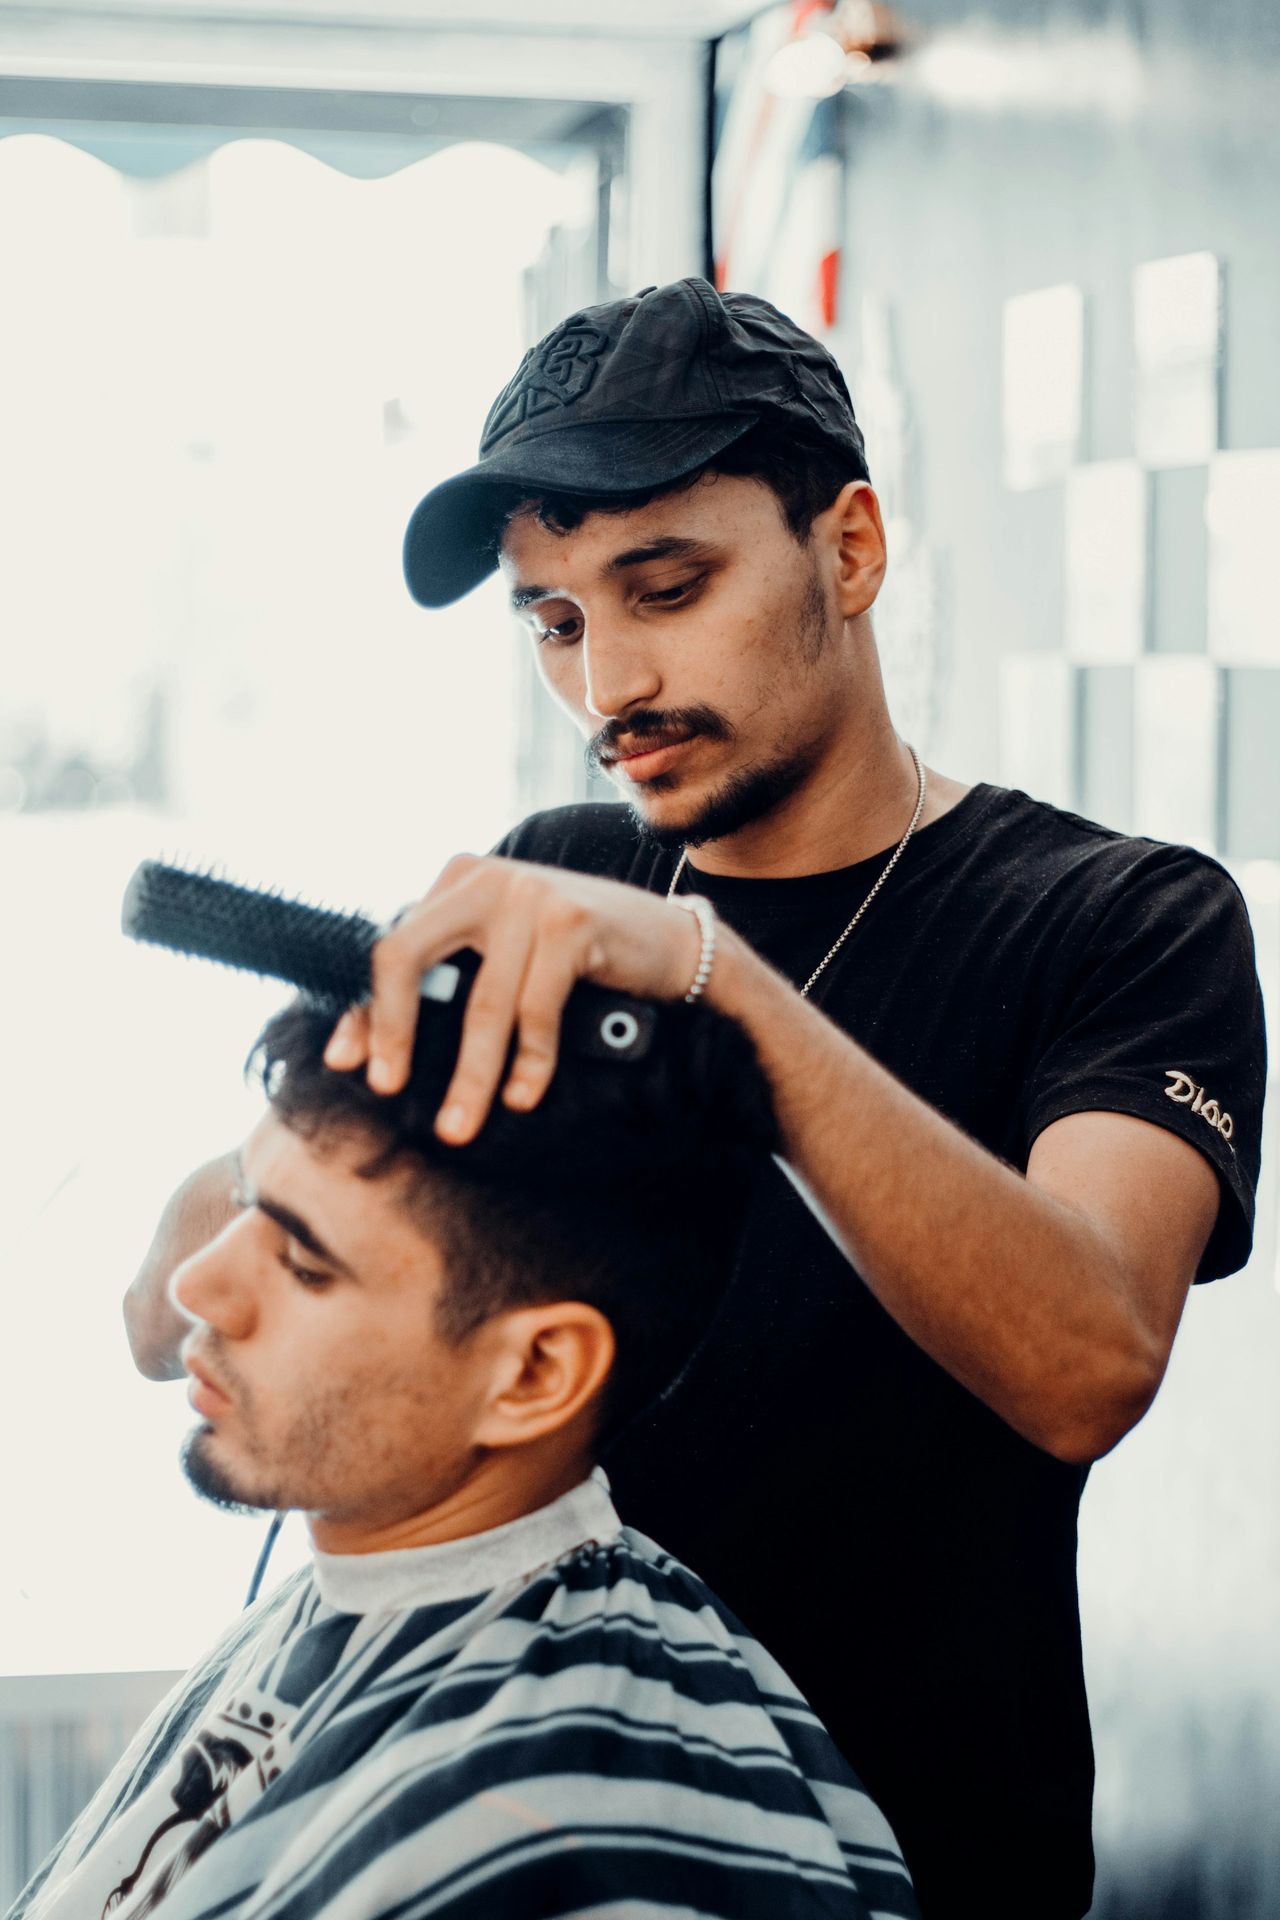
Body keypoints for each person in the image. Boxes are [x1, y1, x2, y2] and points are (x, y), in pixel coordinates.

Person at [124, 279, 1267, 1919]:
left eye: (668, 587)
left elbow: (1088, 1360)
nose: (608, 686)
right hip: (528, 1798)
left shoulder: (1116, 921)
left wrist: (713, 977)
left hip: (907, 1859)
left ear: (850, 549)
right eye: (556, 620)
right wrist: (257, 1215)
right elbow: (194, 1294)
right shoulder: (559, 878)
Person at [20, 991, 918, 1920]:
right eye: (248, 1199)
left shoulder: (572, 1841)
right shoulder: (369, 1576)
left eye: (306, 1263)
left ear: (533, 1371)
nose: (197, 1283)